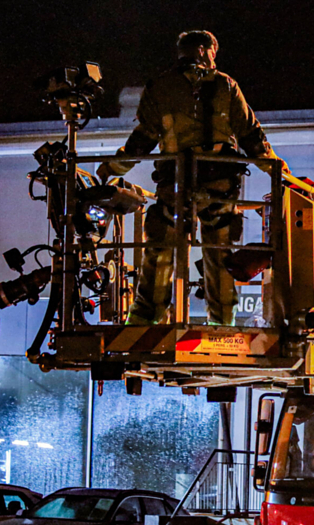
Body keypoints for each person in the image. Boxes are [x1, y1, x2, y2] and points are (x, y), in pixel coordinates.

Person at [98, 30, 288, 326]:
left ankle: (142, 323)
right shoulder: (226, 85)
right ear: (203, 50)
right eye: (214, 51)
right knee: (219, 257)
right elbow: (253, 138)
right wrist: (281, 174)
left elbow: (142, 140)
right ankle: (222, 324)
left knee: (160, 252)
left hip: (175, 186)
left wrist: (110, 170)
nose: (215, 58)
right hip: (219, 188)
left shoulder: (159, 87)